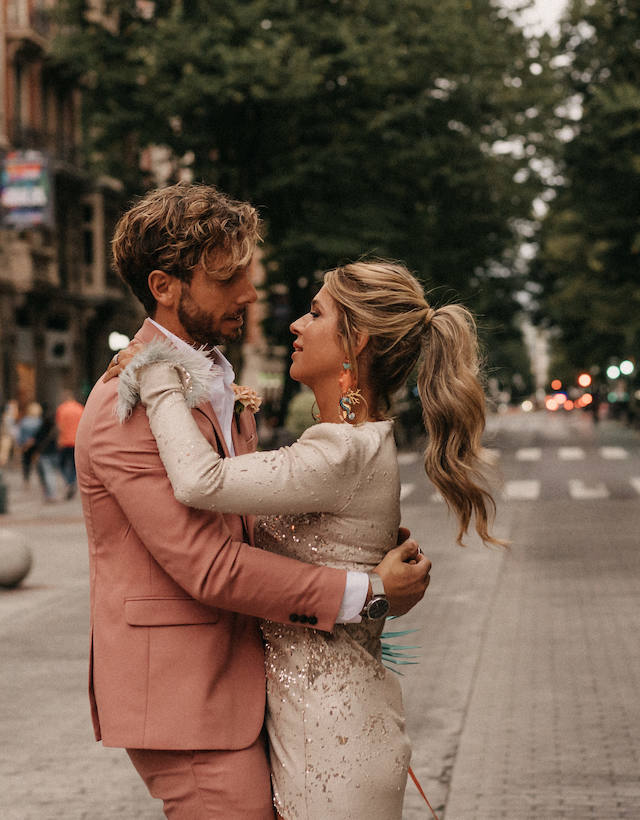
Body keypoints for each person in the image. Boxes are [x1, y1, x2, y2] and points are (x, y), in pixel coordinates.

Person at [75, 183, 430, 820]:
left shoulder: (214, 381)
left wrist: (354, 530)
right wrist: (366, 590)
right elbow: (208, 564)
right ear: (165, 286)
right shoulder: (127, 405)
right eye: (229, 278)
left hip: (246, 685)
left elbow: (249, 521)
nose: (250, 294)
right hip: (186, 699)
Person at [110, 258, 502, 818]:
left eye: (315, 313)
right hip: (311, 722)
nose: (295, 324)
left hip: (336, 737)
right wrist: (372, 580)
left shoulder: (343, 452)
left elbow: (201, 481)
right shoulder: (342, 443)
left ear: (356, 340)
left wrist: (154, 369)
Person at [54, 388, 85, 499]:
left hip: (65, 441)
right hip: (77, 441)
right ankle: (71, 481)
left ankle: (69, 481)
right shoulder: (80, 408)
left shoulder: (61, 409)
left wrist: (59, 440)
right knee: (74, 464)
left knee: (61, 464)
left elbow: (59, 427)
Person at [17, 402, 43, 486]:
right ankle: (42, 480)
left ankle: (26, 480)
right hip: (36, 445)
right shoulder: (40, 422)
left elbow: (20, 434)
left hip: (26, 445)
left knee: (26, 463)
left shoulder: (24, 421)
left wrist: (21, 444)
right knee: (39, 463)